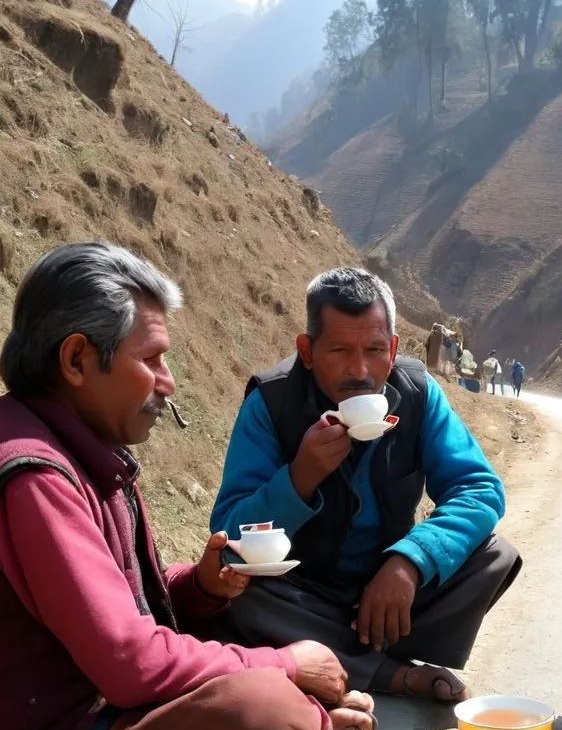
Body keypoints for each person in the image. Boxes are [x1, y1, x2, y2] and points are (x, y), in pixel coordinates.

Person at [0, 243, 376, 730]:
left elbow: (121, 607)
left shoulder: (85, 444)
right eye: (152, 359)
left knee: (258, 628)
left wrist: (198, 587)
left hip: (116, 700)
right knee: (269, 714)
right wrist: (284, 666)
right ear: (76, 360)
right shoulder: (32, 476)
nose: (168, 384)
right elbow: (129, 662)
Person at [210, 268, 521, 701]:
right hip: (300, 592)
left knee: (495, 555)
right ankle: (391, 674)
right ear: (307, 351)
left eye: (375, 350)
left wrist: (409, 562)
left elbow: (478, 488)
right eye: (338, 350)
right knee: (243, 597)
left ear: (392, 350)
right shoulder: (271, 403)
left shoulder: (417, 394)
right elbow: (227, 534)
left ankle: (336, 653)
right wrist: (299, 477)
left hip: (391, 594)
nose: (360, 371)